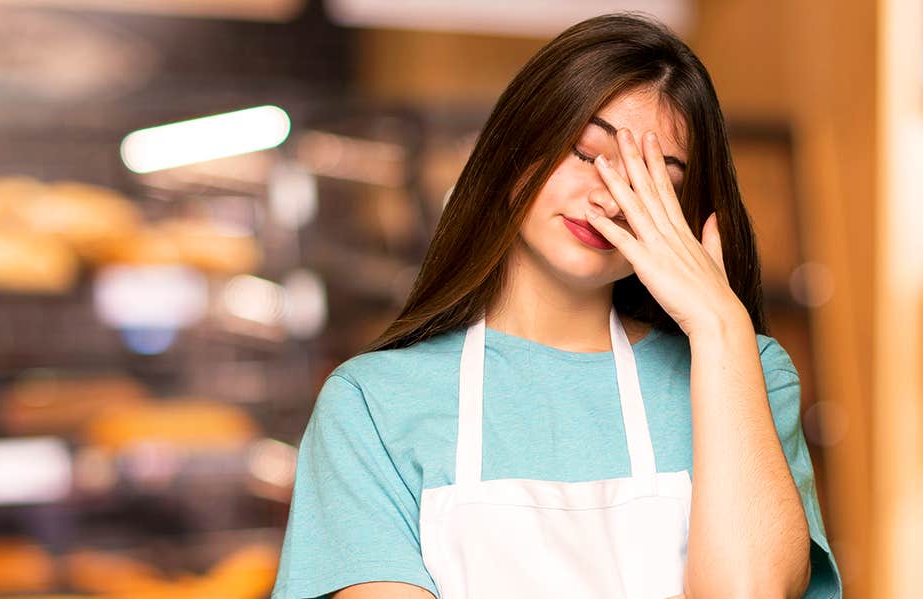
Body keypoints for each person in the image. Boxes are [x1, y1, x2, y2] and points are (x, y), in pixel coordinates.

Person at [271, 11, 842, 599]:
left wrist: (721, 326)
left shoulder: (748, 374)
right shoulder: (371, 405)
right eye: (585, 153)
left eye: (655, 180)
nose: (609, 198)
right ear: (517, 149)